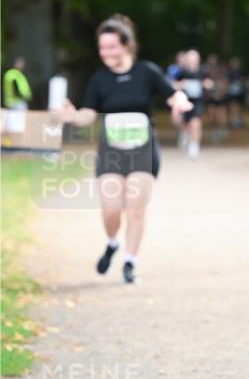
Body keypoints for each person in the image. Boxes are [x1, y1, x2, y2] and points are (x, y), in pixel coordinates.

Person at [55, 15, 191, 283]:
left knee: (136, 210)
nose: (106, 52)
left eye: (112, 46)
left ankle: (130, 262)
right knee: (111, 209)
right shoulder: (99, 80)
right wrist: (73, 116)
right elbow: (89, 114)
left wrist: (180, 100)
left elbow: (172, 94)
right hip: (111, 151)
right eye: (102, 47)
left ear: (126, 45)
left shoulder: (146, 72)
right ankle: (112, 242)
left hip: (143, 149)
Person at [173, 49, 212, 159]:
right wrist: (180, 84)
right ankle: (184, 135)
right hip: (185, 102)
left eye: (194, 59)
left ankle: (194, 146)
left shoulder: (202, 72)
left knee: (196, 122)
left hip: (198, 101)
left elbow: (209, 82)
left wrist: (207, 84)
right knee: (184, 123)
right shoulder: (182, 72)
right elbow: (173, 84)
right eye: (190, 59)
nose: (192, 61)